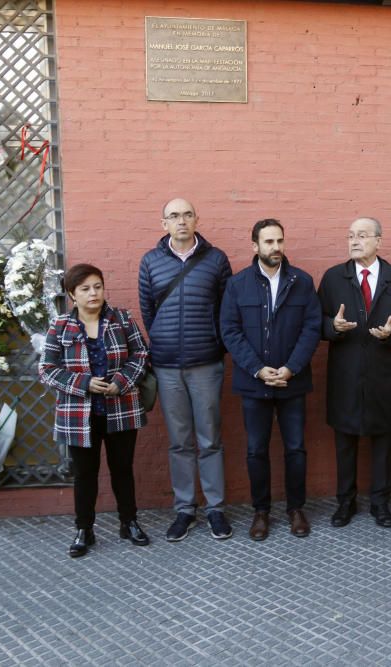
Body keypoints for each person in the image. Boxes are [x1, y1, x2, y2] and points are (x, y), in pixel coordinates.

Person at [39, 264, 150, 557]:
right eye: (85, 289)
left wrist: (121, 382)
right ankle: (84, 529)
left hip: (120, 408)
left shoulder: (121, 319)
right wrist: (84, 383)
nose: (93, 293)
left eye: (97, 286)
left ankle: (129, 522)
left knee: (122, 470)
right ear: (72, 295)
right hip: (78, 415)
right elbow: (47, 369)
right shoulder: (60, 326)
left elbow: (140, 354)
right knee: (85, 474)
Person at [318, 217, 391, 528]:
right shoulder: (334, 277)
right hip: (345, 375)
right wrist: (332, 327)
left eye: (362, 236)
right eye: (351, 235)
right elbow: (316, 321)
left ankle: (380, 503)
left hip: (383, 375)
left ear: (379, 241)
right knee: (345, 443)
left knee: (383, 443)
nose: (354, 241)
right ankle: (345, 503)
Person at [138, 198, 233, 542]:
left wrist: (214, 343)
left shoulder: (216, 259)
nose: (181, 221)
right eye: (174, 216)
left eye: (187, 214)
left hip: (206, 362)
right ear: (163, 223)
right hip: (166, 366)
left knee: (210, 439)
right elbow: (148, 311)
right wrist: (163, 343)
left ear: (196, 219)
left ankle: (216, 509)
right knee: (179, 442)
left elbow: (227, 309)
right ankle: (184, 509)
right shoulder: (150, 262)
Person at [220, 219, 321, 540]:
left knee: (295, 449)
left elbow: (311, 328)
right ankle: (260, 512)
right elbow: (230, 331)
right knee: (255, 450)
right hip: (254, 382)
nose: (275, 247)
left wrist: (291, 368)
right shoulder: (238, 285)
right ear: (255, 246)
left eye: (279, 240)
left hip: (293, 381)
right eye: (268, 242)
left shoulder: (302, 282)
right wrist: (258, 369)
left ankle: (296, 509)